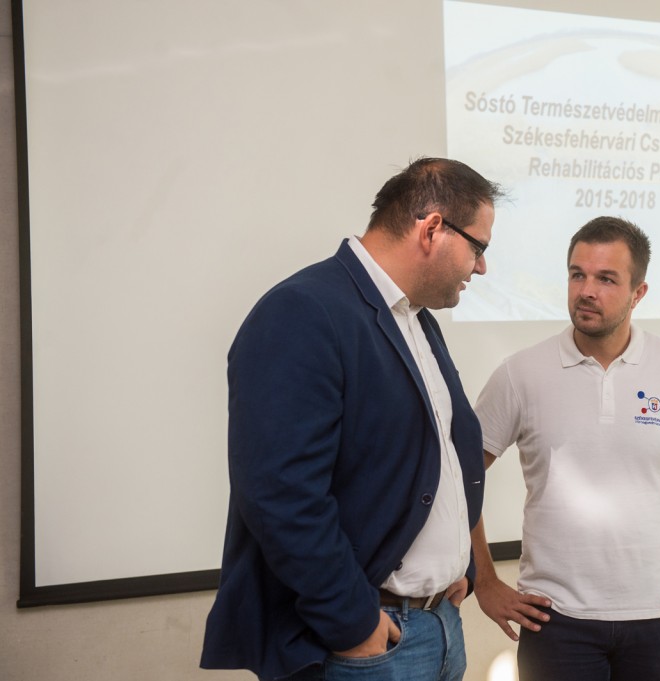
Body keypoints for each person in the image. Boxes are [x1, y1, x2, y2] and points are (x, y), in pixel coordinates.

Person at [200, 157, 504, 681]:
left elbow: (437, 454)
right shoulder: (303, 311)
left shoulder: (414, 318)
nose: (480, 268)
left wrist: (459, 566)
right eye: (478, 247)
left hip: (439, 625)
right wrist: (353, 622)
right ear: (432, 229)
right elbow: (280, 493)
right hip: (369, 643)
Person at [470, 216, 660, 681]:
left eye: (606, 279)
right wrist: (483, 580)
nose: (586, 290)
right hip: (555, 621)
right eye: (577, 274)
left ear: (638, 293)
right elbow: (460, 474)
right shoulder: (520, 374)